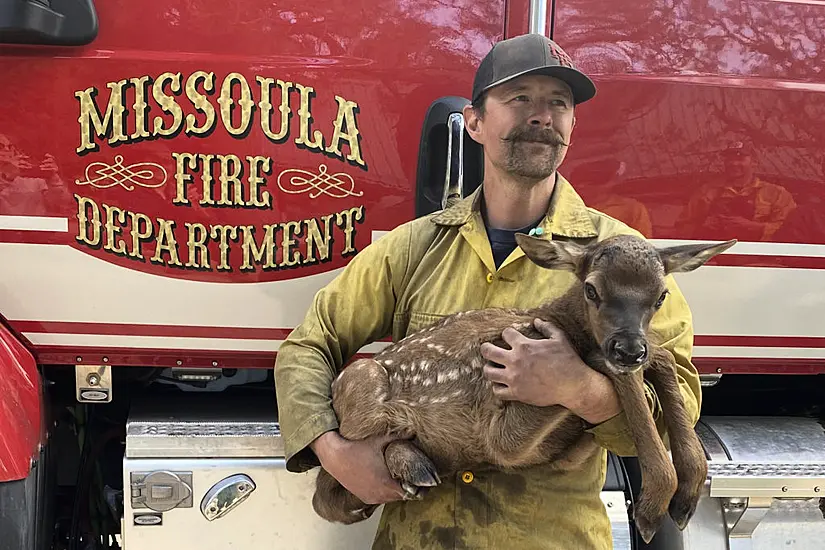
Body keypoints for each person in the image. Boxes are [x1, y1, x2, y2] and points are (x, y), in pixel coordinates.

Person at [274, 34, 701, 550]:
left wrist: (577, 389)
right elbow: (307, 347)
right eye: (519, 98)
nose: (542, 116)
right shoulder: (415, 247)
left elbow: (675, 407)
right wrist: (336, 452)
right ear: (474, 123)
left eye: (558, 104)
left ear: (571, 127)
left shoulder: (625, 261)